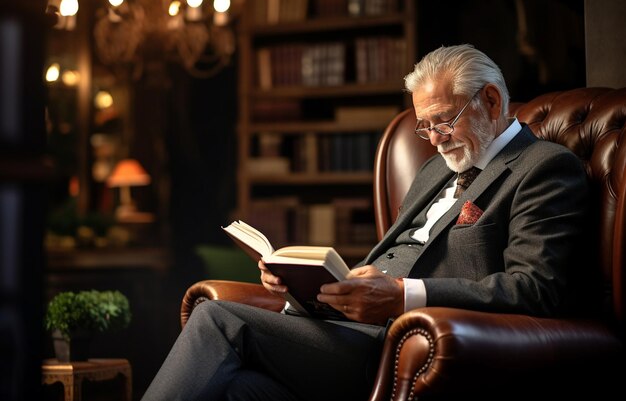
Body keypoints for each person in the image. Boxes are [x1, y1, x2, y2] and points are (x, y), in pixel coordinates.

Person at [141, 44, 588, 401]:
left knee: (216, 318)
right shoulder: (435, 170)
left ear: (490, 100)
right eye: (424, 127)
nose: (434, 140)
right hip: (348, 331)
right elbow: (395, 260)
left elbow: (534, 288)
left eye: (444, 122)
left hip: (403, 345)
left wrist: (399, 298)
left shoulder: (542, 168)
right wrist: (308, 290)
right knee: (239, 389)